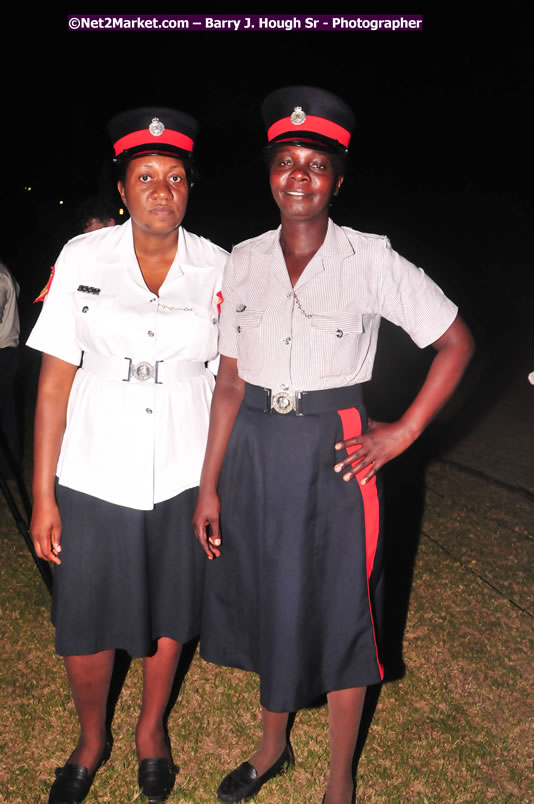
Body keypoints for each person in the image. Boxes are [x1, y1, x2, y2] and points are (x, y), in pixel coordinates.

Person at [193, 86, 475, 804]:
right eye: (285, 160)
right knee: (266, 597)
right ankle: (270, 749)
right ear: (269, 173)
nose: (298, 175)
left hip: (336, 450)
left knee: (344, 606)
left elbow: (454, 341)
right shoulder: (244, 259)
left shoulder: (372, 259)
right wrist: (209, 483)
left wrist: (403, 432)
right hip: (253, 444)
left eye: (315, 163)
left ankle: (340, 778)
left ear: (337, 180)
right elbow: (227, 381)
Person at [27, 107, 228, 804]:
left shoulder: (217, 267)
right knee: (83, 622)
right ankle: (91, 739)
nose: (162, 189)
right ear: (122, 188)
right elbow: (53, 384)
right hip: (93, 467)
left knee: (171, 611)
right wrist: (44, 494)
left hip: (181, 468)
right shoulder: (83, 258)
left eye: (175, 176)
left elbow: (231, 380)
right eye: (145, 176)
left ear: (189, 188)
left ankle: (150, 731)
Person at [0, 259, 21, 474]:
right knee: (7, 411)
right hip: (8, 352)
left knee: (6, 412)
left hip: (3, 352)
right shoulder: (6, 272)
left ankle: (8, 468)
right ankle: (9, 468)